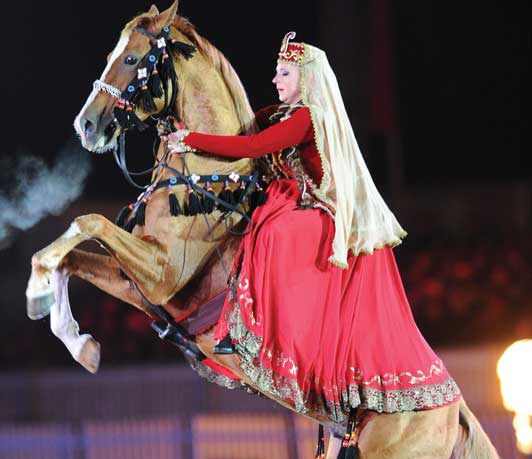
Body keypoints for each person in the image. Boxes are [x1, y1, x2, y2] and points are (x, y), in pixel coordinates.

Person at [166, 32, 460, 421]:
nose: (276, 80)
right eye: (276, 73)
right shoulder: (284, 114)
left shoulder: (307, 116)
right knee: (265, 213)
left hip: (321, 211)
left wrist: (191, 141)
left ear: (305, 79)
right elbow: (248, 135)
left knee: (274, 229)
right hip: (297, 198)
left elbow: (254, 148)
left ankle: (257, 334)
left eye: (284, 73)